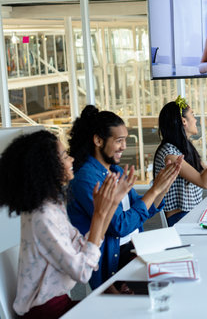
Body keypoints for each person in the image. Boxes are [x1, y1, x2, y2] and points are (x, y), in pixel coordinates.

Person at [0, 130, 133, 318]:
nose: (71, 159)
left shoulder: (51, 206)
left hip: (58, 305)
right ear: (47, 167)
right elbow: (82, 272)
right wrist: (99, 215)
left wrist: (109, 206)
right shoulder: (42, 215)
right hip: (47, 313)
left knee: (130, 306)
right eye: (64, 156)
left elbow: (82, 248)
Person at [67, 105, 181, 289]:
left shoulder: (116, 171)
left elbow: (143, 208)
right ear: (97, 140)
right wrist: (153, 191)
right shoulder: (85, 179)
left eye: (125, 140)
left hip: (134, 251)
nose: (124, 147)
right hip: (113, 264)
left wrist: (164, 185)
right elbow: (120, 226)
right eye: (119, 140)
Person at [153, 96, 207, 227]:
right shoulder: (170, 153)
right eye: (192, 115)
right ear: (184, 121)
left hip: (192, 214)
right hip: (179, 219)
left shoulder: (184, 148)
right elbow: (204, 183)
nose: (196, 120)